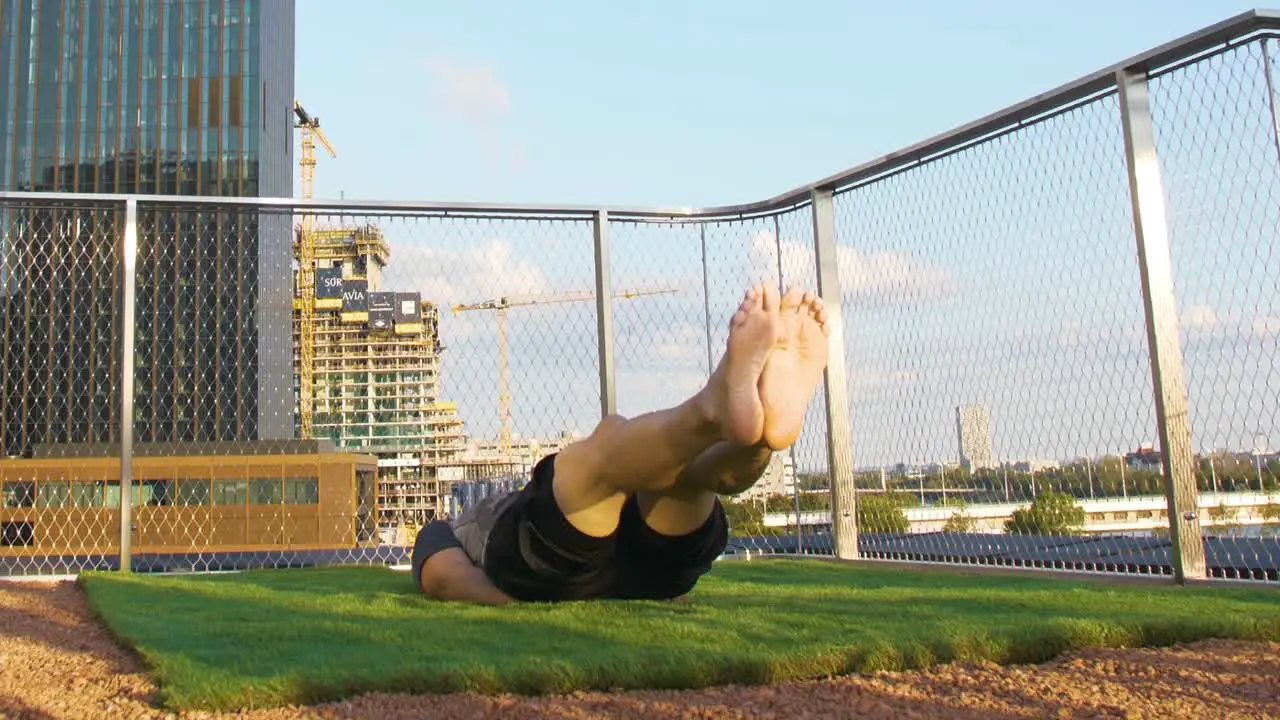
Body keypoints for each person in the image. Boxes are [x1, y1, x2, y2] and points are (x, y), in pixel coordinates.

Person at [411, 284, 831, 604]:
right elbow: (445, 576)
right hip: (600, 561)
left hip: (586, 567)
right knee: (621, 456)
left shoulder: (443, 530)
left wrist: (538, 602)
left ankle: (749, 437)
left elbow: (447, 577)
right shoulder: (441, 528)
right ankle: (725, 419)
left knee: (678, 474)